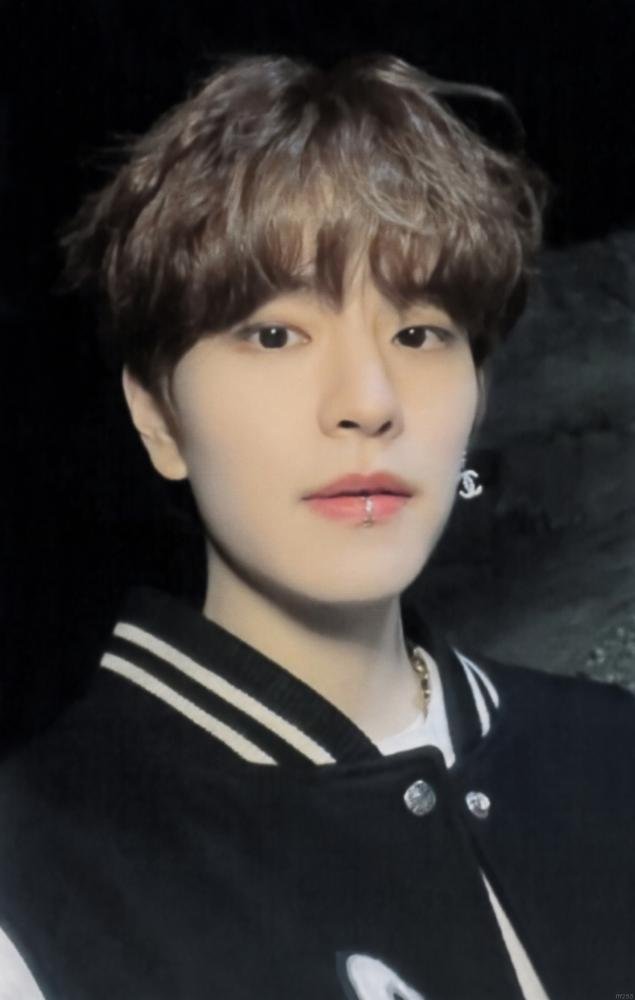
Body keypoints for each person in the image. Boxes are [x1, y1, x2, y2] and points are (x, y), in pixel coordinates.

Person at [0, 52, 633, 1000]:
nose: (367, 402)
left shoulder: (611, 752)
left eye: (418, 332)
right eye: (274, 333)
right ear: (157, 416)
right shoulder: (34, 874)